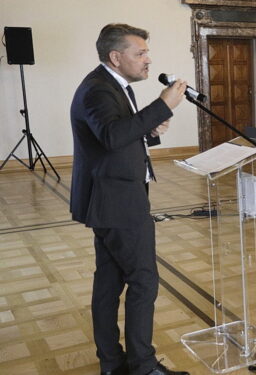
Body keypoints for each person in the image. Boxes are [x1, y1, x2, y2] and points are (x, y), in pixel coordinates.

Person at [70, 24, 189, 375]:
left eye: (147, 52)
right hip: (116, 200)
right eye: (140, 53)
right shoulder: (97, 89)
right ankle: (142, 366)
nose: (148, 59)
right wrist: (162, 106)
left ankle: (112, 364)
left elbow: (119, 136)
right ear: (115, 56)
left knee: (108, 282)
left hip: (113, 197)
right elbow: (110, 135)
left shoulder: (112, 85)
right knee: (143, 280)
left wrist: (149, 132)